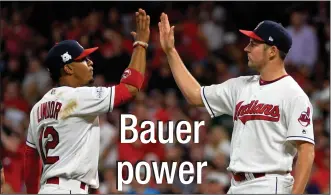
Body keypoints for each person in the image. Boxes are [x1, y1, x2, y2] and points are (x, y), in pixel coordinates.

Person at [158, 13, 315, 194]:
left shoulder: (294, 95)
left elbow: (306, 151)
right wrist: (171, 52)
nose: (246, 48)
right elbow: (195, 95)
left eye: (254, 44)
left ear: (272, 51)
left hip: (270, 184)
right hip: (236, 185)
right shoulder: (240, 86)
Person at [23, 8, 150, 194]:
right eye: (83, 59)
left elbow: (31, 160)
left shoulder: (38, 107)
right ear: (68, 69)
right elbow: (130, 87)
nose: (90, 62)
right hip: (70, 189)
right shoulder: (78, 97)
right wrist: (141, 44)